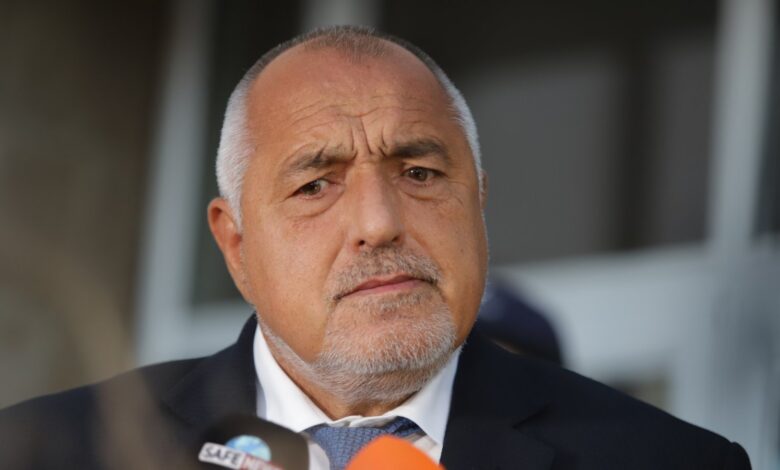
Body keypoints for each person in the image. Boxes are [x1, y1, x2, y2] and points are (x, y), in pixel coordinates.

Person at [0, 26, 750, 469]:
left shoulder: (668, 462)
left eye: (419, 173)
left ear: (478, 203)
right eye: (315, 185)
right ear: (235, 244)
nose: (379, 221)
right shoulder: (49, 452)